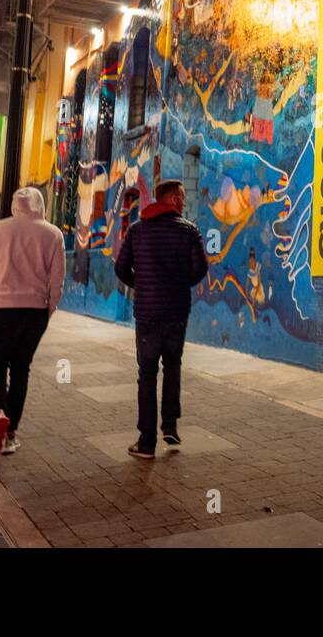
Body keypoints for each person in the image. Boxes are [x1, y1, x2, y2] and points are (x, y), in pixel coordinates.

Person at [115, 179, 209, 460]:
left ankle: (146, 442)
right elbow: (200, 269)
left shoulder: (137, 230)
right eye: (179, 197)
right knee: (172, 366)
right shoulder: (189, 231)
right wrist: (179, 285)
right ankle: (170, 425)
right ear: (167, 199)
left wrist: (141, 285)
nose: (183, 201)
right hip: (176, 312)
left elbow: (121, 269)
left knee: (147, 374)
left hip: (147, 314)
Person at [0, 187, 66, 455]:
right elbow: (57, 281)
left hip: (2, 309)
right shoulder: (53, 234)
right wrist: (48, 311)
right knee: (20, 370)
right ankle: (10, 433)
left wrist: (1, 276)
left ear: (15, 205)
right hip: (34, 312)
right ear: (40, 204)